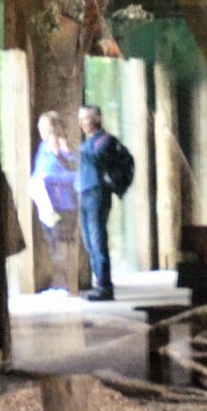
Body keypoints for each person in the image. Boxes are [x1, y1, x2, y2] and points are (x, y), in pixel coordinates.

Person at [76, 105, 134, 302]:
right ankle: (99, 283)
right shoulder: (86, 143)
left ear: (97, 119)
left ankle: (105, 286)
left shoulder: (105, 140)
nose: (82, 123)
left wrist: (71, 150)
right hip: (83, 194)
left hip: (97, 194)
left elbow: (96, 158)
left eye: (86, 118)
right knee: (89, 242)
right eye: (80, 119)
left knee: (97, 239)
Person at [27, 108, 82, 294]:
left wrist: (49, 179)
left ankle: (66, 285)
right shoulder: (43, 148)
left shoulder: (66, 148)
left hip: (64, 205)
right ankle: (57, 285)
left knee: (62, 246)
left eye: (45, 127)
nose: (41, 131)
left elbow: (74, 176)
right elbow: (38, 171)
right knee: (51, 245)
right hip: (46, 205)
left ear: (55, 128)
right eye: (40, 127)